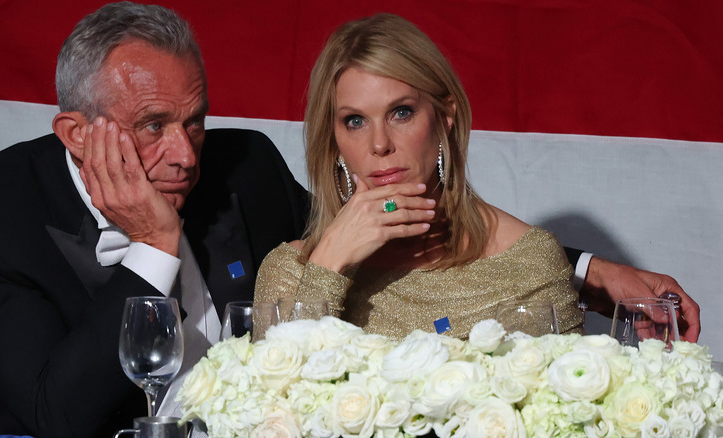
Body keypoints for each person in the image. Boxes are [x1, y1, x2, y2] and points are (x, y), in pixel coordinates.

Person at [0, 2, 306, 437]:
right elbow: (58, 418)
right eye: (153, 126)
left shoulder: (251, 167)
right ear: (78, 135)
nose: (186, 157)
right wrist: (153, 243)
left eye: (194, 122)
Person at [254, 13, 701, 341]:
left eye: (401, 112)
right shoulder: (290, 273)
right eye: (354, 121)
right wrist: (328, 264)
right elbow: (269, 417)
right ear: (332, 139)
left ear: (445, 115)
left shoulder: (529, 262)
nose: (378, 144)